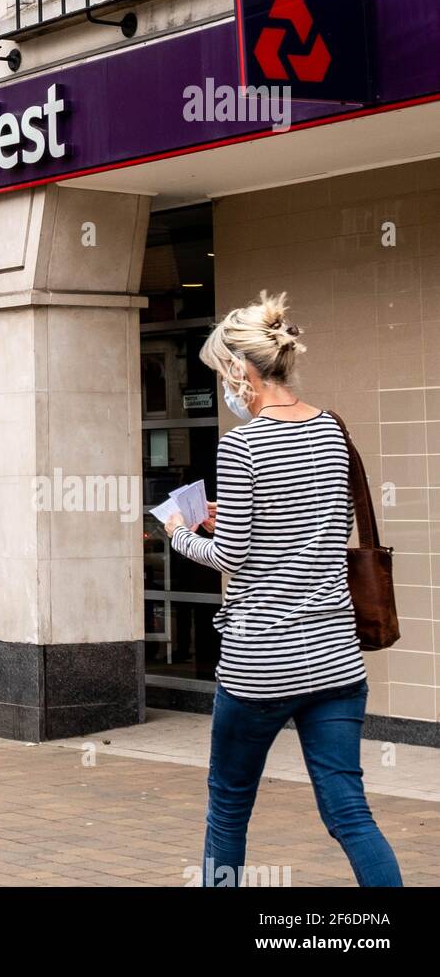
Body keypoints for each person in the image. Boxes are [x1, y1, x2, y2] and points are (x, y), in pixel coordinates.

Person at [166, 291, 402, 888]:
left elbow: (232, 558)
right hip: (336, 662)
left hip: (261, 667)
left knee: (228, 811)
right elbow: (315, 527)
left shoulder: (241, 443)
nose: (227, 387)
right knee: (350, 813)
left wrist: (177, 533)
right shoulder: (332, 429)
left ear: (243, 371)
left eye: (224, 374)